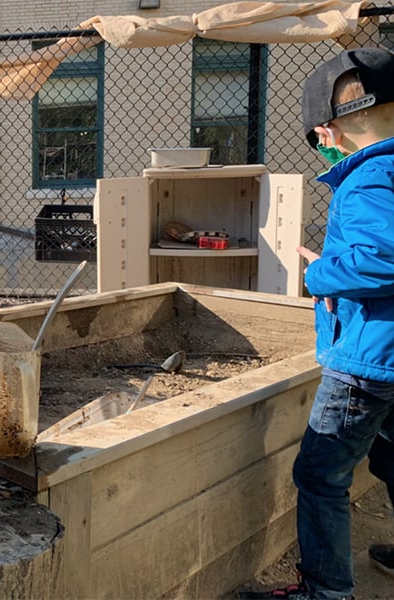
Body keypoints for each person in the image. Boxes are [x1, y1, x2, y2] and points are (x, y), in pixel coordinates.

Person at [243, 47, 394, 600]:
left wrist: (324, 274)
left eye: (319, 136)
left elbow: (385, 258)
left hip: (368, 359)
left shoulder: (371, 178)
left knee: (320, 475)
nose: (323, 148)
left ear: (336, 123)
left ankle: (326, 592)